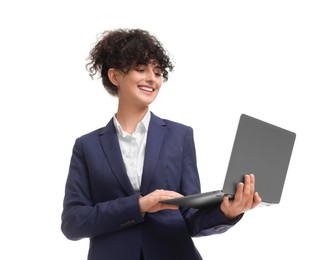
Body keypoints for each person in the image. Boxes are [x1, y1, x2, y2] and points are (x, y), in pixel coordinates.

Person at [61, 28, 261, 260]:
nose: (152, 79)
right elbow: (73, 223)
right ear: (115, 76)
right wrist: (139, 205)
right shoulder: (87, 146)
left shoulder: (180, 136)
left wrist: (227, 213)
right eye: (140, 69)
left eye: (157, 72)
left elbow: (191, 218)